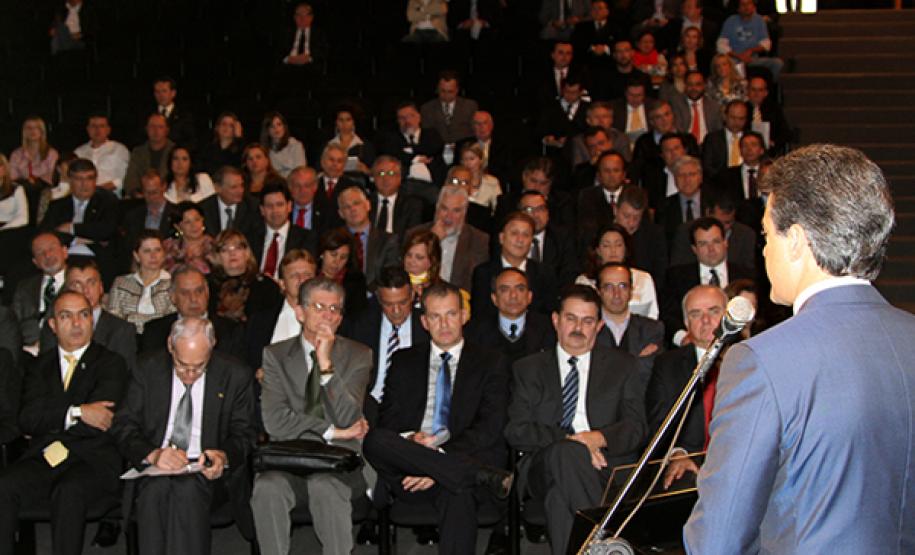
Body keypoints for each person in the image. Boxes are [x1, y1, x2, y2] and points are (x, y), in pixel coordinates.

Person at [685, 144, 915, 552]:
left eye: (768, 234)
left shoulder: (761, 361)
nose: (764, 248)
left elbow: (718, 541)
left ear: (796, 240)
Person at [363, 281, 513, 555]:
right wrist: (411, 440)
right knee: (374, 439)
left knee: (457, 490)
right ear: (424, 321)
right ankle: (465, 473)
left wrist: (438, 462)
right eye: (435, 316)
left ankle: (455, 471)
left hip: (461, 460)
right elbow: (389, 420)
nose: (444, 324)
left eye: (451, 314)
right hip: (411, 469)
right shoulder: (403, 360)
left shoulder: (491, 362)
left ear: (464, 316)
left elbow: (490, 427)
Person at [505, 284, 647, 555]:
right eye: (571, 318)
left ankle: (601, 548)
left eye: (587, 320)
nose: (578, 328)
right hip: (543, 466)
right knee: (567, 454)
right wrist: (576, 442)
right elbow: (516, 430)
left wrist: (599, 438)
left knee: (560, 500)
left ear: (599, 326)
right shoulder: (528, 369)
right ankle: (608, 541)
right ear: (556, 321)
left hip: (607, 468)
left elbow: (636, 427)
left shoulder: (623, 365)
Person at [111, 317, 256, 554]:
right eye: (181, 365)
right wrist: (153, 454)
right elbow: (123, 425)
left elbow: (245, 432)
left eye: (199, 366)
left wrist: (223, 456)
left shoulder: (235, 375)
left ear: (212, 347)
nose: (189, 375)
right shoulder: (146, 369)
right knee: (152, 493)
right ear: (170, 345)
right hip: (157, 465)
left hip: (206, 470)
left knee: (187, 491)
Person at [0, 290, 128, 555]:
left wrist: (53, 417)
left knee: (68, 491)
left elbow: (100, 422)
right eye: (66, 316)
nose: (77, 323)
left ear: (92, 320)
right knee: (5, 485)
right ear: (53, 325)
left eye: (83, 315)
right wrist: (77, 412)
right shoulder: (38, 366)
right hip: (47, 456)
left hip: (92, 459)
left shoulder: (111, 363)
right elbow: (26, 418)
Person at [252, 277, 372, 555]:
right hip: (288, 459)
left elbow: (347, 415)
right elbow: (275, 422)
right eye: (319, 307)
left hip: (340, 461)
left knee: (325, 486)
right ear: (300, 312)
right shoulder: (275, 356)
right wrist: (333, 432)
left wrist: (326, 365)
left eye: (335, 309)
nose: (328, 315)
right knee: (268, 487)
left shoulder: (358, 355)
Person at [646, 284, 727, 486]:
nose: (706, 321)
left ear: (727, 316)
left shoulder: (750, 359)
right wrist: (677, 454)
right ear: (686, 323)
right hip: (690, 459)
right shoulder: (667, 365)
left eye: (714, 311)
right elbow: (659, 423)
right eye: (695, 314)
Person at [340, 266, 430, 413]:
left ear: (413, 295)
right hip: (369, 405)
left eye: (402, 303)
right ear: (379, 299)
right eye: (388, 304)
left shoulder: (426, 327)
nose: (396, 311)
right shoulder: (360, 325)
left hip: (412, 408)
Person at [662, 217, 754, 344]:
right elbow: (668, 316)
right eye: (703, 244)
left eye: (716, 242)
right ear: (694, 249)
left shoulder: (748, 275)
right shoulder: (675, 277)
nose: (711, 249)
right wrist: (683, 338)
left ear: (725, 242)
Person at [40, 259, 137, 371]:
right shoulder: (53, 328)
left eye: (91, 283)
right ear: (67, 290)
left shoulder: (121, 330)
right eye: (77, 284)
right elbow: (47, 370)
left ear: (101, 287)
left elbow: (125, 374)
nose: (85, 290)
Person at [140, 265, 246, 361]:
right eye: (185, 293)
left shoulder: (231, 331)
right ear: (172, 297)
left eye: (199, 291)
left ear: (207, 292)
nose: (194, 299)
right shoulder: (154, 332)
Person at [40, 158, 120, 282]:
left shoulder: (107, 201)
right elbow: (47, 234)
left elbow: (107, 230)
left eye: (89, 178)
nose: (85, 184)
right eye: (79, 179)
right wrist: (76, 239)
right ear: (70, 180)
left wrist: (72, 228)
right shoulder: (58, 206)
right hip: (66, 256)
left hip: (97, 256)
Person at [471, 211, 558, 318]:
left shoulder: (544, 273)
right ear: (502, 238)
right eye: (514, 233)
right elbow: (480, 315)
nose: (520, 240)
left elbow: (547, 315)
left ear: (531, 241)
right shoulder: (483, 273)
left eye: (526, 235)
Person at [406, 184, 489, 292]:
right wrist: (432, 240)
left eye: (456, 210)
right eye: (444, 208)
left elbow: (474, 282)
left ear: (464, 212)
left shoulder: (478, 240)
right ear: (437, 207)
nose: (449, 216)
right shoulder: (415, 234)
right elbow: (410, 272)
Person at [464, 267, 557, 363]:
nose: (513, 295)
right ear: (494, 298)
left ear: (529, 296)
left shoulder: (550, 329)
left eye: (520, 289)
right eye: (504, 290)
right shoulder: (474, 332)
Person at [245, 249, 318, 371]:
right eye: (295, 275)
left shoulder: (330, 319)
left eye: (307, 275)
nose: (302, 280)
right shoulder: (259, 321)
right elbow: (250, 363)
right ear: (282, 284)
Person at [595, 263, 665, 385]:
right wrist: (636, 361)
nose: (616, 294)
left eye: (623, 286)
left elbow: (652, 375)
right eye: (609, 287)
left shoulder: (652, 329)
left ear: (631, 290)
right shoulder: (589, 329)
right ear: (599, 291)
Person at [577, 224, 660, 319]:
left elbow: (653, 314)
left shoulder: (643, 278)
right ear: (598, 250)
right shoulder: (584, 281)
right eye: (606, 246)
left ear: (625, 249)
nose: (613, 250)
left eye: (618, 245)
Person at [105, 230, 175, 333]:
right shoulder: (120, 283)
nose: (153, 256)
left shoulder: (173, 284)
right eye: (147, 251)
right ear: (136, 256)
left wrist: (130, 318)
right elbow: (113, 319)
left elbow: (170, 320)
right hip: (125, 339)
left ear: (163, 254)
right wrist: (153, 319)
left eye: (158, 250)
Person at [208, 229, 282, 323]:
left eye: (237, 248)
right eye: (225, 249)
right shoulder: (209, 286)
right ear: (217, 256)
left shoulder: (265, 286)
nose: (232, 253)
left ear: (246, 252)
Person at [247, 183, 317, 279]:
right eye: (269, 206)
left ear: (289, 206)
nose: (275, 210)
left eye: (279, 205)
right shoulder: (250, 236)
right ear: (262, 210)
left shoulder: (306, 237)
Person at [13, 232, 68, 352]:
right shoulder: (24, 287)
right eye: (40, 252)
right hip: (26, 352)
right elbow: (14, 323)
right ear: (35, 262)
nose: (47, 255)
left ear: (65, 251)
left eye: (52, 248)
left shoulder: (77, 282)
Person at [336, 185, 400, 287]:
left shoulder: (388, 240)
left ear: (368, 205)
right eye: (346, 207)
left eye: (356, 203)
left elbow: (390, 275)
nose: (352, 209)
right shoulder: (334, 239)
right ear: (341, 213)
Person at [518, 189, 580, 289]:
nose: (536, 215)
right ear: (520, 214)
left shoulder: (563, 237)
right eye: (529, 210)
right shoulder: (511, 238)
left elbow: (569, 273)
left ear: (547, 213)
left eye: (540, 209)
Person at [122, 170, 179, 268]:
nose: (151, 197)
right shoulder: (132, 216)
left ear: (164, 187)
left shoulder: (176, 214)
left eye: (155, 192)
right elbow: (128, 248)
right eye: (147, 192)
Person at [614, 186, 668, 288]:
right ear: (615, 210)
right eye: (626, 216)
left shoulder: (654, 235)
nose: (631, 222)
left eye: (636, 217)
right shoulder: (602, 233)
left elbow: (660, 274)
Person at [717, 0, 784, 79]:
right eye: (743, 4)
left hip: (753, 59)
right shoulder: (730, 21)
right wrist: (738, 56)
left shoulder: (759, 20)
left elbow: (766, 44)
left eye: (749, 4)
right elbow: (721, 45)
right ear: (738, 8)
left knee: (777, 63)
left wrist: (751, 51)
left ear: (754, 6)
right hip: (734, 59)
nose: (746, 7)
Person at [73, 113, 129, 197]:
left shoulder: (119, 149)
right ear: (88, 129)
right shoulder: (79, 152)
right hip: (83, 197)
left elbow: (123, 179)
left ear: (108, 130)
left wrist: (97, 190)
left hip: (110, 197)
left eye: (101, 126)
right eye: (93, 126)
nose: (97, 130)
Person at [420, 71, 479, 151]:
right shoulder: (427, 108)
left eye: (450, 91)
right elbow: (426, 135)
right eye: (443, 91)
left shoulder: (470, 106)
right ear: (437, 89)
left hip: (463, 152)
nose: (446, 95)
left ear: (457, 90)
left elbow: (475, 131)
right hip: (437, 152)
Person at [369, 156, 425, 238]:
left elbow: (412, 237)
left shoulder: (412, 205)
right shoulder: (364, 203)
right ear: (373, 178)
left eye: (391, 173)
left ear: (399, 178)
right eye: (381, 173)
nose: (386, 178)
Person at [199, 165, 263, 237]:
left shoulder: (253, 207)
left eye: (241, 185)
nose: (240, 191)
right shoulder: (203, 209)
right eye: (234, 187)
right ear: (217, 188)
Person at [317, 227, 367, 316]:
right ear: (322, 253)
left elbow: (357, 316)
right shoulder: (310, 273)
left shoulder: (356, 280)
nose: (337, 261)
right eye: (333, 255)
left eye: (343, 257)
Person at [124, 113, 175, 198]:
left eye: (160, 127)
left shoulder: (175, 151)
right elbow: (131, 178)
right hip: (142, 198)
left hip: (170, 196)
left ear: (167, 130)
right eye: (152, 127)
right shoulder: (138, 152)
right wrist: (137, 194)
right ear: (146, 129)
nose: (156, 130)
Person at [671, 70, 722, 147]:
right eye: (690, 84)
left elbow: (718, 131)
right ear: (685, 85)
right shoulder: (675, 104)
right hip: (684, 146)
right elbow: (678, 130)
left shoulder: (714, 106)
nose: (694, 88)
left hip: (709, 146)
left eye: (698, 84)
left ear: (704, 85)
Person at [701, 99, 748, 181]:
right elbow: (707, 167)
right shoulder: (712, 139)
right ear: (725, 116)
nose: (736, 122)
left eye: (741, 119)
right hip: (719, 183)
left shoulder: (752, 138)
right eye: (733, 118)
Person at [163, 201, 214, 274]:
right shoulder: (168, 247)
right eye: (187, 222)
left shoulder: (214, 245)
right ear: (177, 226)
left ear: (202, 220)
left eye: (197, 220)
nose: (194, 225)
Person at [326, 106, 376, 177]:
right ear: (336, 122)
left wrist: (365, 170)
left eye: (348, 120)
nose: (344, 123)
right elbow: (319, 171)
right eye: (341, 120)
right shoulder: (328, 145)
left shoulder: (365, 145)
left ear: (354, 122)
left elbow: (375, 173)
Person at [9, 116, 59, 185]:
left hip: (46, 190)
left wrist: (36, 181)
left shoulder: (51, 154)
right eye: (29, 128)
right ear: (24, 132)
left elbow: (52, 177)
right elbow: (13, 179)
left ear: (42, 131)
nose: (32, 131)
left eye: (36, 128)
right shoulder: (16, 154)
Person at [152, 76, 197, 151]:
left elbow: (191, 140)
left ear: (173, 93)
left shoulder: (184, 116)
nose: (161, 95)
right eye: (157, 92)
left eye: (164, 91)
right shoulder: (148, 115)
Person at [261, 111, 308, 178]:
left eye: (279, 124)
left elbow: (301, 170)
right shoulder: (264, 149)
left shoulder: (296, 145)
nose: (276, 129)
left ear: (284, 127)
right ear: (267, 130)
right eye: (272, 126)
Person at [459, 143, 501, 216]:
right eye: (465, 159)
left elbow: (497, 209)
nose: (468, 163)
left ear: (481, 160)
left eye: (472, 159)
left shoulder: (492, 182)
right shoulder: (457, 181)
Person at [197, 111, 245, 176]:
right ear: (217, 127)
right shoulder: (208, 149)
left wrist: (238, 139)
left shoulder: (240, 149)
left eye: (231, 125)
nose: (226, 127)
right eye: (224, 124)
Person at [0, 153, 29, 230]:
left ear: (4, 169)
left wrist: (3, 229)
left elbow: (23, 218)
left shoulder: (16, 189)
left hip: (9, 230)